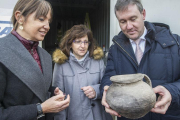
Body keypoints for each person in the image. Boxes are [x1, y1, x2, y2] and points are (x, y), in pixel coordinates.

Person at [100, 0, 180, 120]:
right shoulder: (115, 49)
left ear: (143, 14)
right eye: (123, 21)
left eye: (133, 19)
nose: (129, 26)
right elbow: (108, 78)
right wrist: (105, 91)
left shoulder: (174, 43)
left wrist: (172, 92)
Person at [0, 0, 70, 120]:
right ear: (20, 17)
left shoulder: (45, 56)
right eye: (41, 19)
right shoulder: (2, 51)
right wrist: (40, 109)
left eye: (49, 21)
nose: (47, 26)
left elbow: (37, 90)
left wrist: (53, 92)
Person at [52, 24, 112, 120]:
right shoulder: (61, 65)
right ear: (70, 43)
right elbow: (58, 99)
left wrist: (96, 91)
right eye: (78, 42)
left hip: (98, 116)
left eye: (85, 42)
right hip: (74, 116)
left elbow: (108, 86)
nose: (82, 46)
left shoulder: (98, 61)